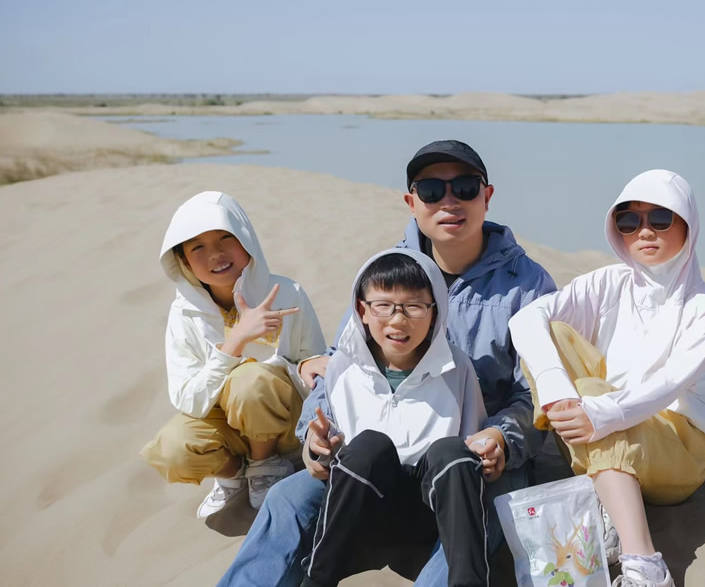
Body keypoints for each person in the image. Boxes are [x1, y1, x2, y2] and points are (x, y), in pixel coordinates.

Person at [220, 141, 556, 586]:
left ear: (487, 196)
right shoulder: (385, 273)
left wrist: (502, 438)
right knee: (287, 500)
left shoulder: (528, 285)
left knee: (473, 515)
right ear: (411, 202)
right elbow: (343, 362)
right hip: (371, 453)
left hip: (472, 459)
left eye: (464, 187)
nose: (449, 201)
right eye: (432, 190)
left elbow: (541, 391)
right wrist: (314, 440)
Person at [509, 170, 705, 587]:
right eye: (629, 221)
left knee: (596, 402)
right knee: (552, 334)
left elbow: (670, 382)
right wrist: (558, 387)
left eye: (660, 218)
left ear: (688, 224)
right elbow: (526, 319)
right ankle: (609, 498)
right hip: (606, 430)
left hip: (683, 451)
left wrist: (600, 412)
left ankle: (646, 568)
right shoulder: (609, 282)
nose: (644, 231)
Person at [304, 249, 488, 587]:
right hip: (364, 512)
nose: (398, 320)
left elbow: (469, 445)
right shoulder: (342, 367)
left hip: (429, 515)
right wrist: (321, 448)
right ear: (362, 310)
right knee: (369, 446)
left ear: (434, 313)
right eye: (383, 306)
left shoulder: (457, 367)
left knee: (452, 452)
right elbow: (338, 458)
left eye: (414, 307)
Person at [140, 191, 326, 517]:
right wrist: (235, 342)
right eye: (198, 247)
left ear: (246, 239)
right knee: (172, 447)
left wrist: (305, 364)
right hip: (231, 432)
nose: (216, 254)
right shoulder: (183, 315)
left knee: (250, 379)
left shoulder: (287, 292)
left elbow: (315, 365)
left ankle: (266, 463)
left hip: (287, 429)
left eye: (226, 237)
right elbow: (188, 400)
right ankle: (236, 474)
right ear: (183, 261)